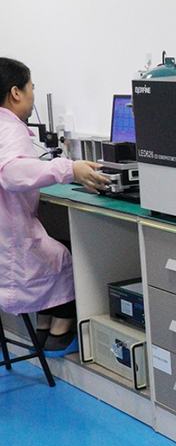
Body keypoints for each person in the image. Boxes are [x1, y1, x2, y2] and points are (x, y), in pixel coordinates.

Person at [0, 57, 110, 350]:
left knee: (52, 247)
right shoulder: (10, 130)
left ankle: (43, 327)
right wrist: (69, 169)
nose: (33, 94)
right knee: (66, 256)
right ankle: (59, 333)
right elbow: (12, 173)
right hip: (12, 248)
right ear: (16, 93)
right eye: (31, 87)